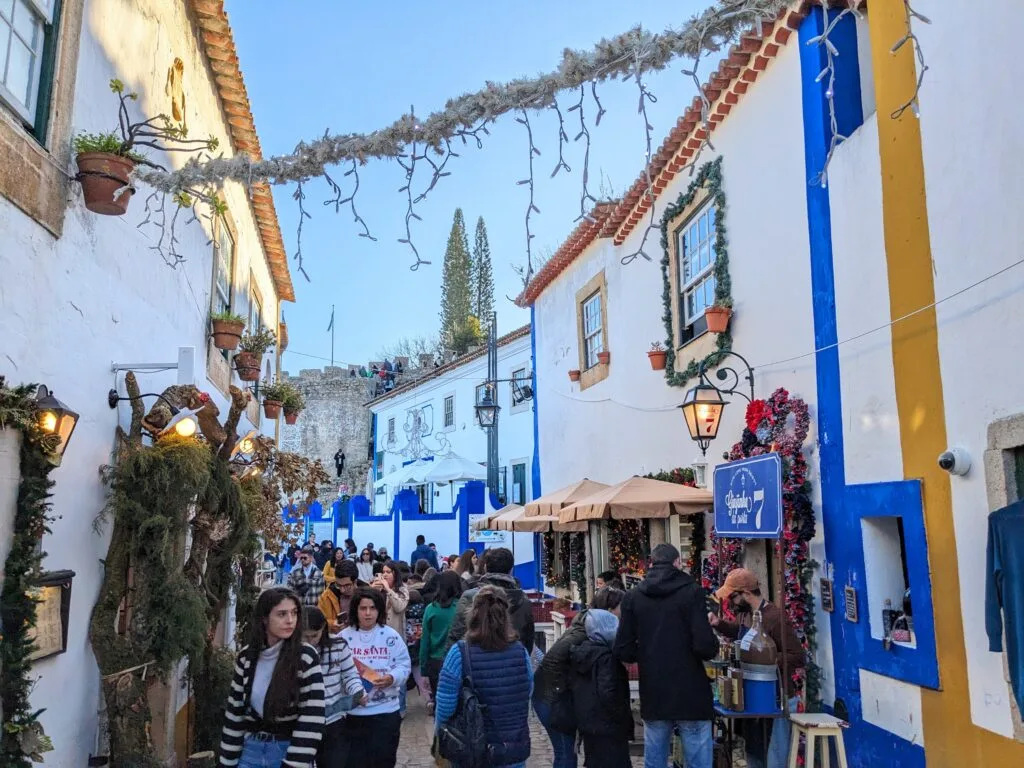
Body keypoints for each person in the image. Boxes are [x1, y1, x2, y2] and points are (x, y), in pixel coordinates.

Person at [613, 543, 718, 768]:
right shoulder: (692, 592)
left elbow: (623, 648)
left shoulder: (633, 597)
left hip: (654, 686)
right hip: (690, 686)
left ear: (651, 564)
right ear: (677, 563)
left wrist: (646, 651)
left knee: (655, 756)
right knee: (698, 755)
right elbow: (705, 646)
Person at [218, 587, 325, 767]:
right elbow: (235, 715)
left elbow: (312, 718)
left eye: (294, 613)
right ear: (265, 618)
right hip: (250, 750)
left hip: (287, 750)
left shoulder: (305, 656)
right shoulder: (247, 658)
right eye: (282, 614)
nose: (290, 620)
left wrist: (294, 764)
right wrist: (226, 762)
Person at [708, 568, 805, 768]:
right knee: (754, 750)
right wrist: (719, 623)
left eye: (732, 597)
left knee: (775, 757)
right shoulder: (746, 614)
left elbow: (797, 656)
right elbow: (739, 633)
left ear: (746, 594)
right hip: (755, 696)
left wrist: (762, 658)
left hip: (777, 698)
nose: (730, 602)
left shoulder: (775, 617)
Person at [434, 586, 533, 767]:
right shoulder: (520, 652)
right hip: (513, 746)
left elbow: (445, 707)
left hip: (472, 748)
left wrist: (439, 739)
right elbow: (527, 690)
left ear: (473, 614)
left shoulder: (459, 654)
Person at [531, 586, 626, 768]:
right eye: (621, 607)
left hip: (550, 693)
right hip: (552, 698)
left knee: (566, 752)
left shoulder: (584, 625)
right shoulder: (591, 636)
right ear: (609, 611)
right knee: (566, 753)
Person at [341, 587, 411, 767]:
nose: (367, 613)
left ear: (379, 610)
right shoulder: (343, 638)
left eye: (372, 608)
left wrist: (392, 677)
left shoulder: (391, 636)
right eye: (363, 608)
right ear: (355, 610)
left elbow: (404, 665)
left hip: (385, 713)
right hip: (352, 714)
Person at [569, 609, 633, 768]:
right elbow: (608, 693)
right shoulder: (606, 659)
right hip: (609, 727)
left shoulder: (584, 653)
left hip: (590, 723)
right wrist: (622, 718)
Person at [302, 608, 364, 768]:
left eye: (314, 636)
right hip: (303, 722)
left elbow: (350, 674)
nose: (310, 641)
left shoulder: (338, 645)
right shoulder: (291, 651)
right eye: (305, 636)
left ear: (323, 629)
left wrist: (358, 691)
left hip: (333, 719)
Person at [447, 547, 535, 653]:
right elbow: (528, 641)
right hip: (510, 663)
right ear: (511, 569)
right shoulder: (523, 600)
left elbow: (455, 635)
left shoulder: (471, 596)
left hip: (475, 663)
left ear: (485, 567)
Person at [419, 570, 463, 714]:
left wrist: (423, 669)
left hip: (435, 661)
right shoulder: (462, 608)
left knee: (440, 703)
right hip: (458, 659)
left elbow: (424, 641)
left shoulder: (430, 609)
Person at [319, 559, 358, 634]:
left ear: (355, 582)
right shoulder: (326, 596)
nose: (342, 590)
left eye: (347, 585)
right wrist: (331, 625)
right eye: (338, 585)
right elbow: (320, 622)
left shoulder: (368, 595)